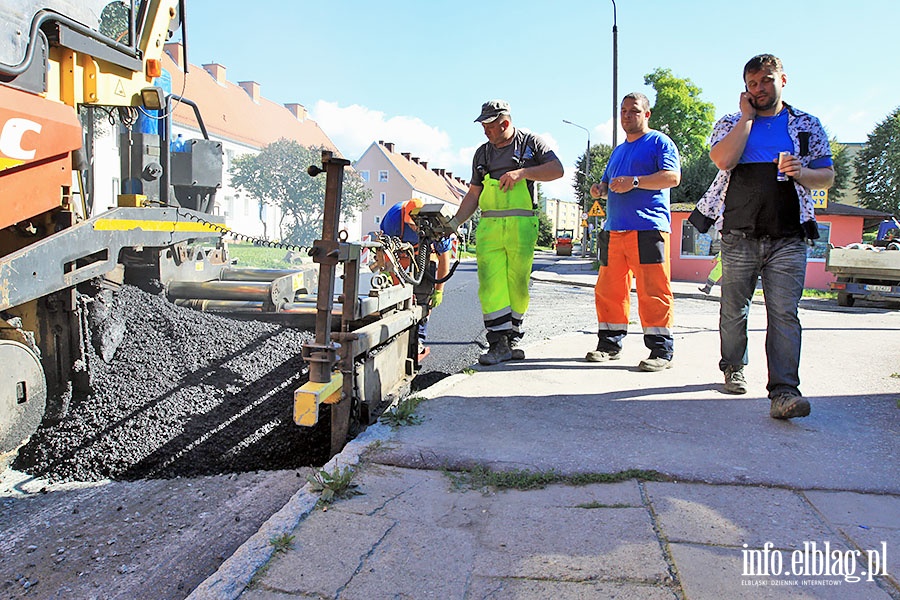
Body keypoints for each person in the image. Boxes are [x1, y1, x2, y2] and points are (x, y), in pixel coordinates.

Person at [691, 54, 834, 419]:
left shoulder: (806, 125)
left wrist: (801, 171)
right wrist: (746, 119)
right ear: (745, 88)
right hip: (738, 235)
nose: (759, 89)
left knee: (784, 313)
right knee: (733, 310)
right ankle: (733, 366)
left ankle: (784, 392)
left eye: (766, 81)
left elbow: (826, 176)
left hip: (788, 237)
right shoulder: (730, 122)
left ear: (783, 79)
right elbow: (723, 160)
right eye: (752, 84)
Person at [449, 100, 564, 365]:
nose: (485, 131)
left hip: (521, 229)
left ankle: (511, 340)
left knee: (518, 286)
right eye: (483, 126)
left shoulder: (531, 144)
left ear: (505, 123)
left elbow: (557, 170)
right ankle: (497, 343)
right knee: (491, 285)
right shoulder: (482, 154)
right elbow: (474, 194)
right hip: (490, 230)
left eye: (489, 126)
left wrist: (522, 173)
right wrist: (455, 223)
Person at [585, 92, 681, 372]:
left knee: (654, 291)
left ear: (646, 114)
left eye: (634, 111)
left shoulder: (659, 142)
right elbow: (606, 184)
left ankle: (661, 351)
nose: (627, 115)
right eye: (623, 111)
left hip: (648, 229)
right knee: (608, 291)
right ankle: (609, 345)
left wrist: (635, 181)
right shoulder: (618, 151)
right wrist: (599, 190)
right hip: (614, 230)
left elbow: (672, 177)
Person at [380, 198, 452, 358]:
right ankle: (393, 333)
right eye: (410, 224)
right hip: (400, 250)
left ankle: (418, 338)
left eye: (415, 225)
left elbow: (444, 258)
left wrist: (439, 290)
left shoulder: (436, 222)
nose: (413, 227)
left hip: (427, 252)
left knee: (423, 296)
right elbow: (386, 248)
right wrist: (387, 271)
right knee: (393, 295)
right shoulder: (394, 218)